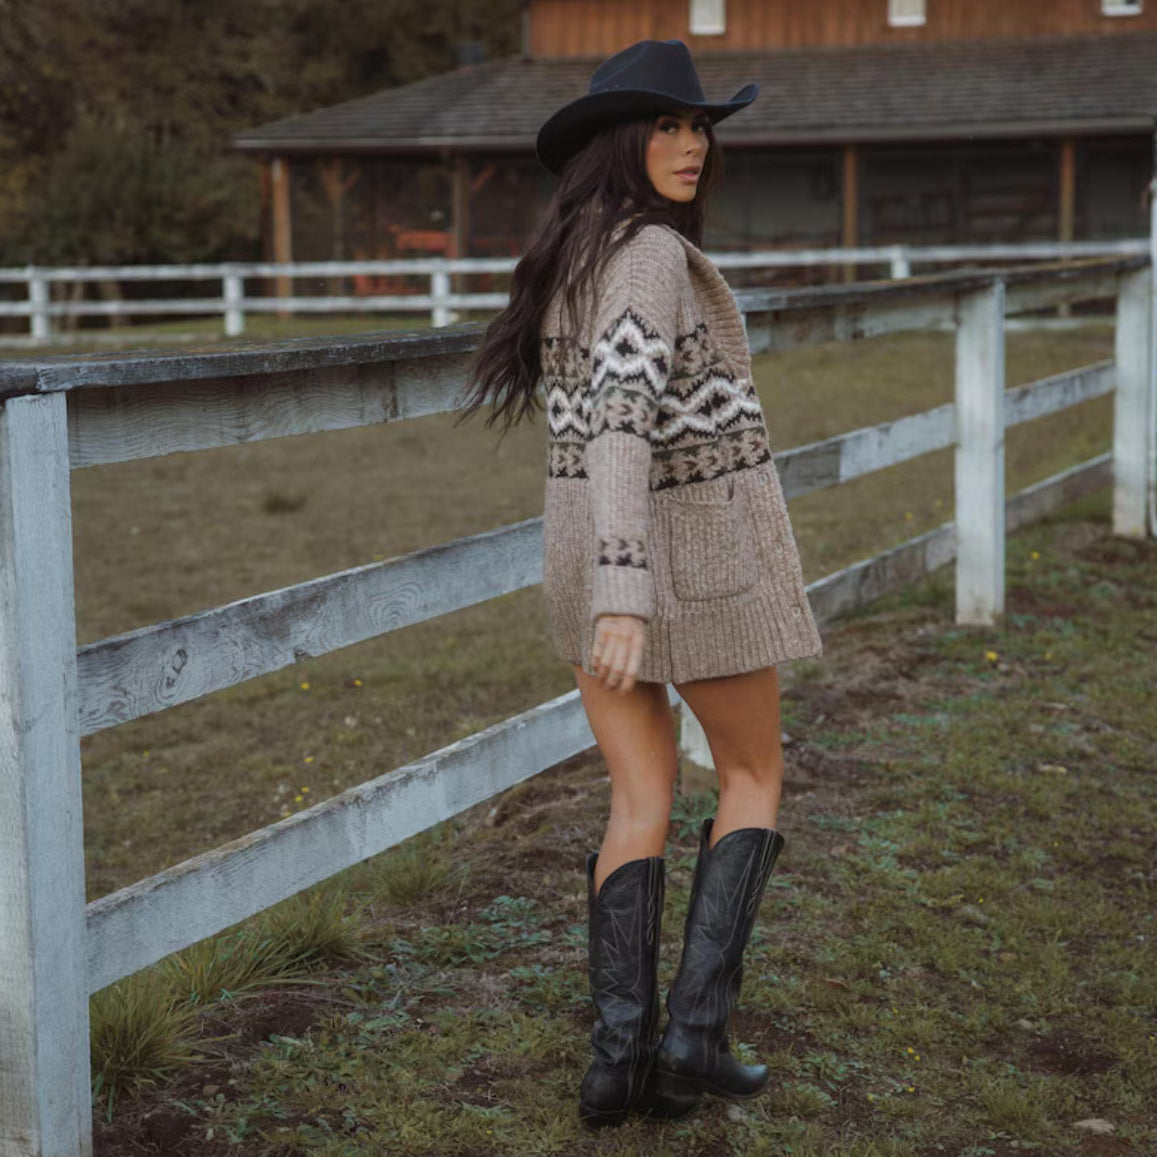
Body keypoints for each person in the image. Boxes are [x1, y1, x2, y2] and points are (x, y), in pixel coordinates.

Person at [460, 39, 823, 1127]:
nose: (690, 145)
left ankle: (616, 1058)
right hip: (678, 567)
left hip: (583, 561)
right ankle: (690, 1043)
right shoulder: (652, 255)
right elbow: (620, 416)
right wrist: (628, 584)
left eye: (698, 125)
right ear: (619, 141)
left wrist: (604, 579)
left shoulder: (579, 248)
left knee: (639, 796)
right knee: (751, 775)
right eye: (665, 125)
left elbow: (601, 412)